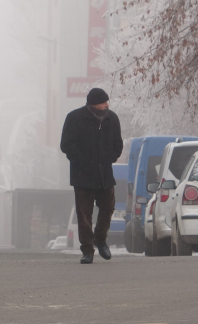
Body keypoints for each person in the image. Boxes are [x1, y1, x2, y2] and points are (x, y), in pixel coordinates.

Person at [60, 88, 123, 264]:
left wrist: (110, 157)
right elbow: (66, 145)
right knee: (84, 215)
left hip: (105, 174)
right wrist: (83, 161)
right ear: (95, 103)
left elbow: (118, 144)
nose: (107, 105)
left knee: (108, 208)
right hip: (83, 175)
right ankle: (87, 250)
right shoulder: (75, 118)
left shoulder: (112, 119)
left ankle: (100, 239)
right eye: (104, 102)